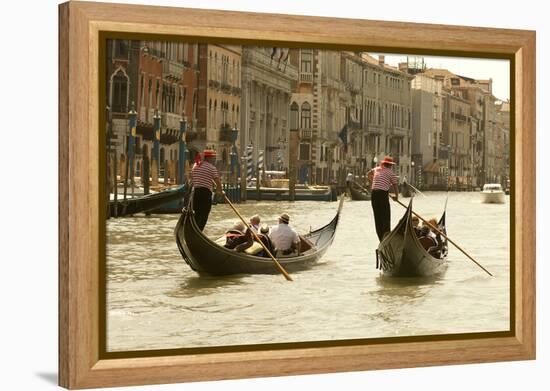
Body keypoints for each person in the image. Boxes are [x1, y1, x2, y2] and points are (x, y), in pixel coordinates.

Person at [367, 156, 400, 241]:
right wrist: (396, 197)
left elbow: (368, 174)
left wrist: (373, 181)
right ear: (390, 165)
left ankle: (381, 239)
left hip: (374, 193)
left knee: (377, 217)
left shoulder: (377, 169)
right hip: (382, 194)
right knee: (385, 216)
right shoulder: (390, 172)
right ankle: (386, 238)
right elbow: (395, 185)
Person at [191, 149, 223, 231]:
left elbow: (194, 179)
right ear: (209, 158)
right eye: (214, 158)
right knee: (204, 214)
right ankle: (199, 231)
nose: (214, 160)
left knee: (196, 213)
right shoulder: (212, 168)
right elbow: (218, 182)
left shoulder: (195, 166)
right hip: (205, 193)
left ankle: (194, 229)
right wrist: (220, 191)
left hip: (195, 192)